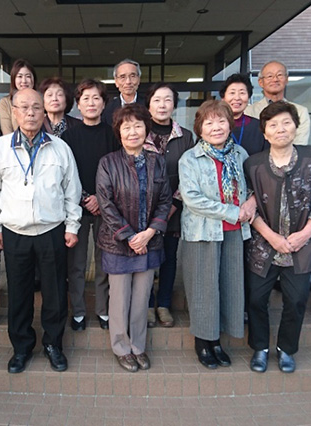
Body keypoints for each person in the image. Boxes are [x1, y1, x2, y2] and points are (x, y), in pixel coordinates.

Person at [0, 88, 82, 374]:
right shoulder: (0, 147)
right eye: (24, 107)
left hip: (52, 230)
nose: (30, 113)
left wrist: (72, 225)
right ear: (13, 112)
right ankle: (22, 347)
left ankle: (53, 344)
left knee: (55, 292)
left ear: (44, 112)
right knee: (19, 293)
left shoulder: (60, 147)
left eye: (36, 107)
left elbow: (72, 189)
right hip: (14, 231)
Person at [244, 101, 311, 374]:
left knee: (296, 301)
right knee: (256, 299)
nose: (280, 129)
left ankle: (286, 349)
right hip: (264, 245)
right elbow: (248, 207)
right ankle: (260, 348)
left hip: (302, 246)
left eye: (286, 123)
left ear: (296, 127)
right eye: (273, 125)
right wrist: (271, 237)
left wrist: (305, 234)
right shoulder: (253, 164)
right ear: (265, 133)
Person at [95, 104, 171, 372]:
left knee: (141, 300)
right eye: (127, 127)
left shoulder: (157, 161)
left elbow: (165, 201)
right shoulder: (108, 163)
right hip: (118, 244)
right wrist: (129, 236)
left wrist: (149, 233)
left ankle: (138, 346)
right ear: (119, 132)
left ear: (146, 130)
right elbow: (106, 204)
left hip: (149, 243)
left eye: (138, 126)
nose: (133, 131)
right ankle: (121, 347)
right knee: (119, 300)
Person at [179, 100, 253, 369]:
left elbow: (253, 186)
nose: (216, 127)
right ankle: (203, 342)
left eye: (221, 121)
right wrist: (232, 211)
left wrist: (251, 202)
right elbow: (192, 199)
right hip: (202, 232)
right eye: (209, 122)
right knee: (203, 288)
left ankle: (218, 340)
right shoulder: (190, 158)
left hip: (235, 232)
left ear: (230, 125)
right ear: (200, 128)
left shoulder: (240, 154)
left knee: (229, 286)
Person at [62, 79, 118, 332]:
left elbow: (117, 172)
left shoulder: (113, 134)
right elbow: (66, 174)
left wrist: (100, 198)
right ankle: (78, 311)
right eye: (86, 98)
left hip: (107, 209)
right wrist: (87, 197)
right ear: (78, 104)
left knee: (104, 261)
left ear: (104, 103)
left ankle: (103, 310)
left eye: (96, 98)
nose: (91, 103)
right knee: (77, 263)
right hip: (77, 208)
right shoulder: (68, 136)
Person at [144, 82, 195, 328]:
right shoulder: (139, 131)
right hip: (142, 209)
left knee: (169, 256)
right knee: (145, 256)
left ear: (174, 104)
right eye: (157, 99)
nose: (162, 105)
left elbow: (190, 175)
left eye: (167, 100)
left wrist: (172, 205)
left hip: (174, 208)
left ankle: (163, 304)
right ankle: (146, 304)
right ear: (149, 104)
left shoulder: (186, 136)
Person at [244, 60, 311, 146]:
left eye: (279, 75)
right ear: (261, 82)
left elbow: (300, 144)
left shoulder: (301, 112)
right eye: (269, 76)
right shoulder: (248, 111)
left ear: (286, 79)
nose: (275, 79)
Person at [220, 73, 269, 156]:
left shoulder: (260, 127)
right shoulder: (213, 126)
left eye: (242, 93)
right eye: (232, 93)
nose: (237, 98)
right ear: (223, 98)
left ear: (248, 98)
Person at [0, 59, 37, 135]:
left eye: (28, 76)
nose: (24, 81)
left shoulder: (41, 101)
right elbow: (7, 133)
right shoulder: (5, 102)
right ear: (14, 79)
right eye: (20, 76)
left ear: (33, 79)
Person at [102, 59, 144, 126]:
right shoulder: (107, 108)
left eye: (132, 76)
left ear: (139, 79)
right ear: (116, 82)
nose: (128, 82)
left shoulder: (149, 105)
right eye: (122, 77)